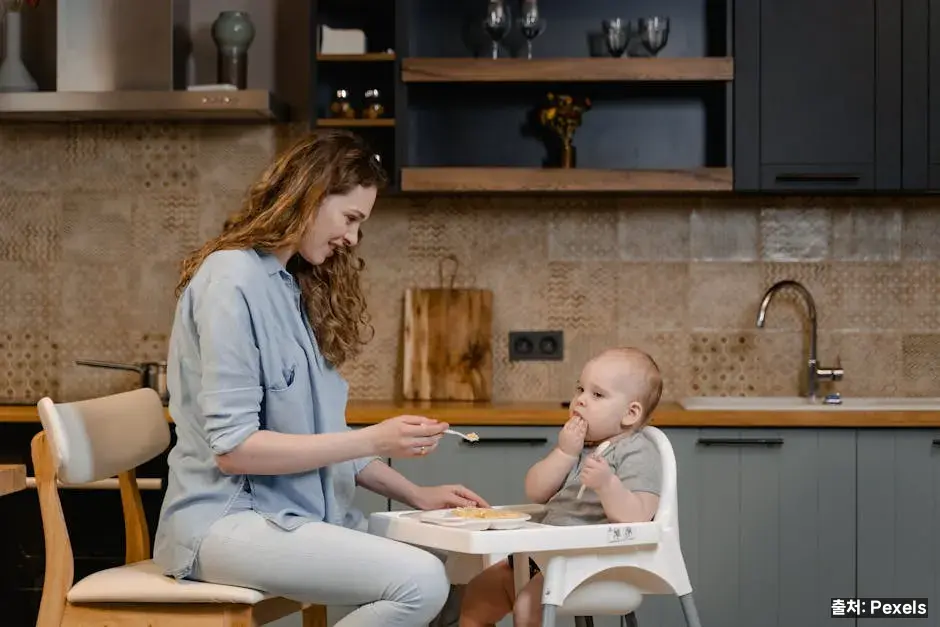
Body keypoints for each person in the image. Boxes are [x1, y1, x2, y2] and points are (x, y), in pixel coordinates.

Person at [152, 129, 489, 627]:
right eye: (350, 218)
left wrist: (416, 495)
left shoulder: (290, 287)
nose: (352, 238)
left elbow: (320, 438)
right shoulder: (232, 280)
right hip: (223, 521)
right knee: (419, 583)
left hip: (286, 514)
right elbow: (235, 449)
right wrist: (376, 438)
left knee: (453, 562)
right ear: (309, 195)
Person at [458, 347, 664, 627]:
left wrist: (607, 485)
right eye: (580, 389)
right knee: (479, 592)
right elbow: (535, 491)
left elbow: (639, 516)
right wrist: (564, 453)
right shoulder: (579, 449)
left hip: (593, 561)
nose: (580, 401)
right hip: (544, 555)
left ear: (630, 413)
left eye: (597, 394)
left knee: (529, 604)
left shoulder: (636, 451)